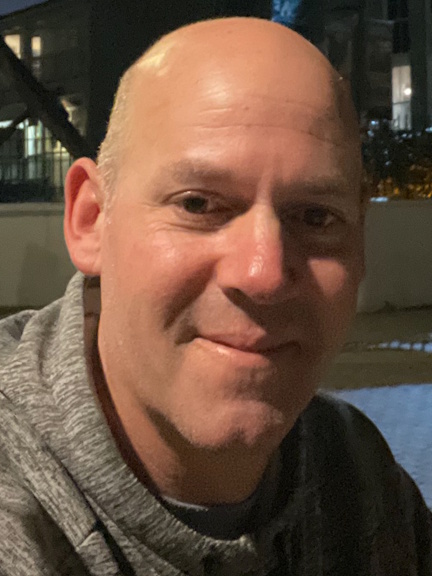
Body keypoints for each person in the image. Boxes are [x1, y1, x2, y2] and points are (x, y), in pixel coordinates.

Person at [0, 17, 430, 576]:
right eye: (198, 205)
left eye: (315, 217)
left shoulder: (354, 468)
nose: (264, 274)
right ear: (91, 221)